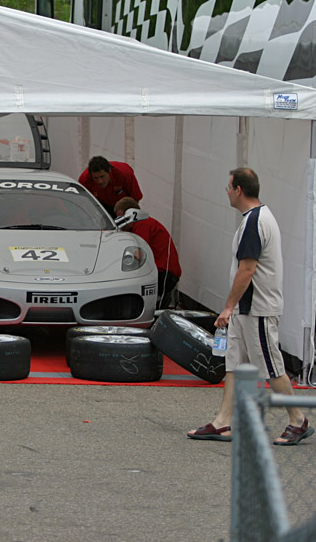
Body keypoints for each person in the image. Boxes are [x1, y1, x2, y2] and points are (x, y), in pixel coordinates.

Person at [188, 168, 311, 445]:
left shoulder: (255, 221)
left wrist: (228, 307)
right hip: (248, 309)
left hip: (257, 309)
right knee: (234, 363)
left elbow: (247, 269)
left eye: (228, 187)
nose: (227, 192)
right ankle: (223, 422)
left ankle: (298, 419)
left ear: (238, 190)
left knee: (271, 365)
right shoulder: (256, 218)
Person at [113, 197, 181, 309]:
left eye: (123, 218)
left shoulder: (142, 225)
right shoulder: (147, 224)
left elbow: (137, 254)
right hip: (165, 273)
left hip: (163, 274)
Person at [78, 156, 143, 217]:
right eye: (95, 178)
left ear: (109, 171)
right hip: (100, 206)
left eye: (102, 176)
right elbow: (81, 203)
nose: (99, 181)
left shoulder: (125, 174)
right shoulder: (84, 180)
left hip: (123, 207)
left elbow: (135, 198)